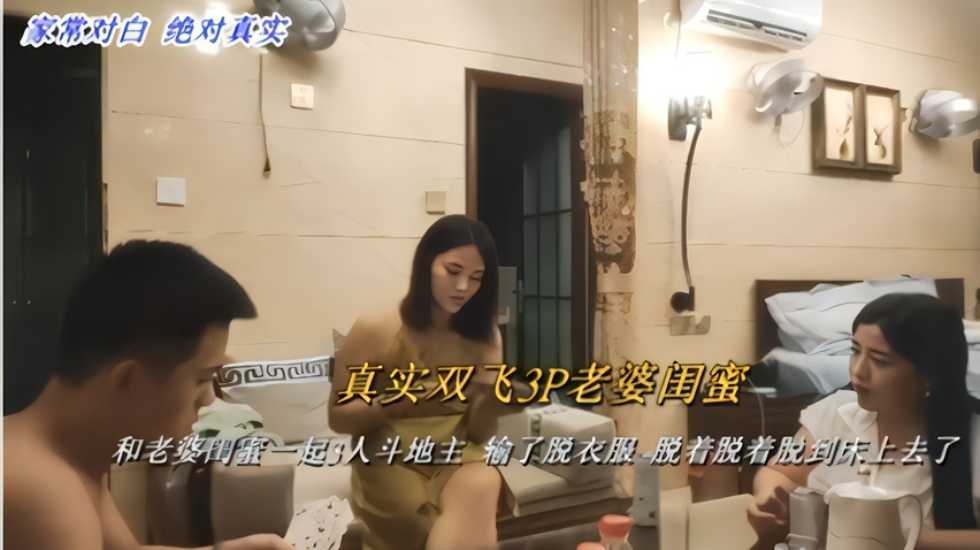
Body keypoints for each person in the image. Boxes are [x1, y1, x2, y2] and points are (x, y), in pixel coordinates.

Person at [4, 240, 291, 550]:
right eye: (201, 379)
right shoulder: (42, 496)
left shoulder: (73, 460)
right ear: (130, 380)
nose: (208, 399)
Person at [329, 214, 513, 550]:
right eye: (453, 271)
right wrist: (400, 405)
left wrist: (491, 403)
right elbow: (339, 417)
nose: (463, 288)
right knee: (414, 513)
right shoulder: (377, 327)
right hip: (390, 453)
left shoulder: (486, 337)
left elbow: (479, 434)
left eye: (476, 278)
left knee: (483, 481)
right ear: (426, 263)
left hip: (456, 451)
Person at [747, 293, 980, 550]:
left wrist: (906, 538)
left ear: (930, 373)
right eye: (855, 351)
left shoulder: (971, 437)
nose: (858, 371)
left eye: (879, 361)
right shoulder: (837, 414)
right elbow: (780, 472)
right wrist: (768, 500)